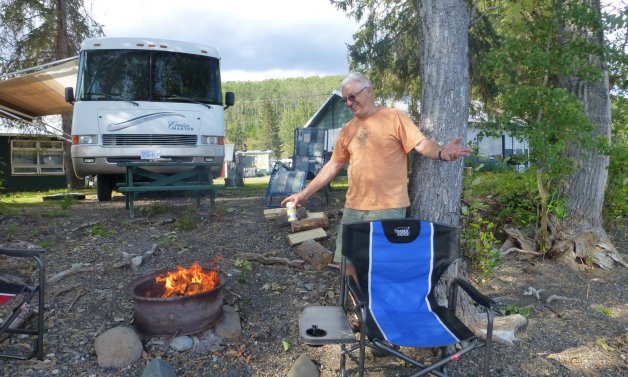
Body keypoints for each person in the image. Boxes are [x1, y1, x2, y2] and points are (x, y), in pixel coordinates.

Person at [281, 72, 472, 265]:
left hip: (388, 208)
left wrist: (441, 152)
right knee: (345, 264)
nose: (348, 103)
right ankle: (358, 297)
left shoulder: (394, 117)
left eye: (352, 97)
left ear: (368, 92)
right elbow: (333, 165)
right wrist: (304, 194)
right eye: (345, 99)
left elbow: (421, 144)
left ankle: (377, 296)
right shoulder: (347, 129)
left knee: (382, 266)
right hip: (354, 208)